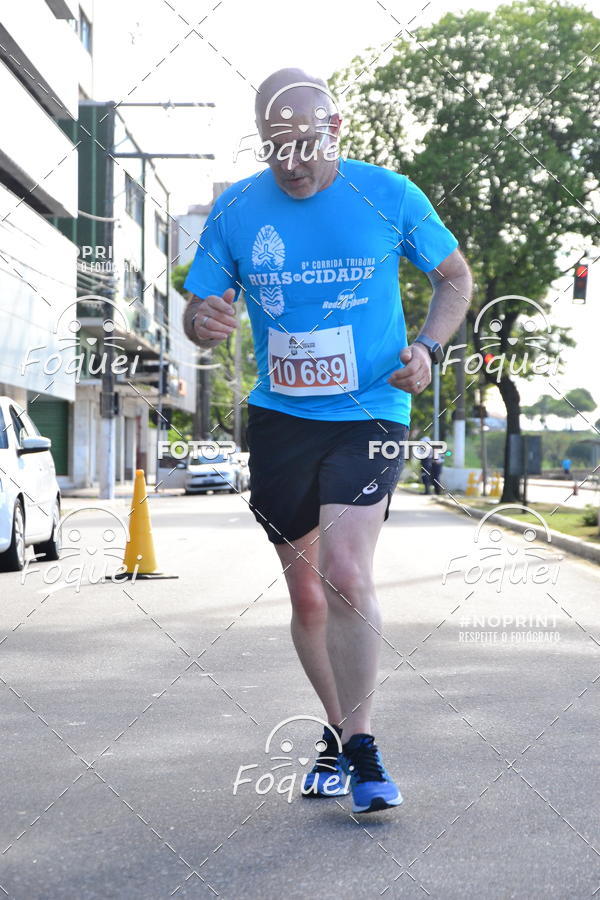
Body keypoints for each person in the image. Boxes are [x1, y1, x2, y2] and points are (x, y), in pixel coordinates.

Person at [183, 69, 472, 814]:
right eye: (275, 147)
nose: (293, 163)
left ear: (335, 128)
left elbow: (454, 278)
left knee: (345, 572)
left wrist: (428, 348)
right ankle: (339, 732)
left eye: (306, 144)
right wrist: (202, 322)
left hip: (372, 409)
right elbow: (200, 308)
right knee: (309, 595)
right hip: (281, 417)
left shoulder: (389, 194)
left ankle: (362, 748)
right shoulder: (237, 209)